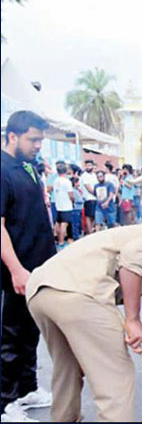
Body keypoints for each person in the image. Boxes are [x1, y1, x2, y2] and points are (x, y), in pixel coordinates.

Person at [25, 224, 142, 422]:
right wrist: (133, 320)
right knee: (115, 379)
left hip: (41, 290)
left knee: (67, 369)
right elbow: (132, 257)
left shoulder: (137, 237)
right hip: (80, 290)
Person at [1, 111, 55, 423]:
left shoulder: (28, 166)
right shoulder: (2, 169)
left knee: (30, 331)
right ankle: (6, 402)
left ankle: (27, 389)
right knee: (12, 336)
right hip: (17, 270)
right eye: (33, 139)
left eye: (40, 140)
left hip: (38, 267)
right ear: (12, 136)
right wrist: (16, 269)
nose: (38, 145)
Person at [51, 163, 74, 246]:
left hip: (58, 205)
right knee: (64, 224)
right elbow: (71, 194)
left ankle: (57, 240)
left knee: (58, 223)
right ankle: (61, 241)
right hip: (66, 205)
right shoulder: (67, 181)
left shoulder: (55, 181)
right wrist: (73, 201)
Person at [78, 159, 99, 235]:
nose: (88, 167)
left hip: (95, 198)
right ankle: (89, 232)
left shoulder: (94, 175)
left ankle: (91, 230)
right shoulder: (84, 176)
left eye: (90, 165)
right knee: (89, 216)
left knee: (94, 216)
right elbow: (89, 188)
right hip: (89, 198)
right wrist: (97, 194)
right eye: (87, 165)